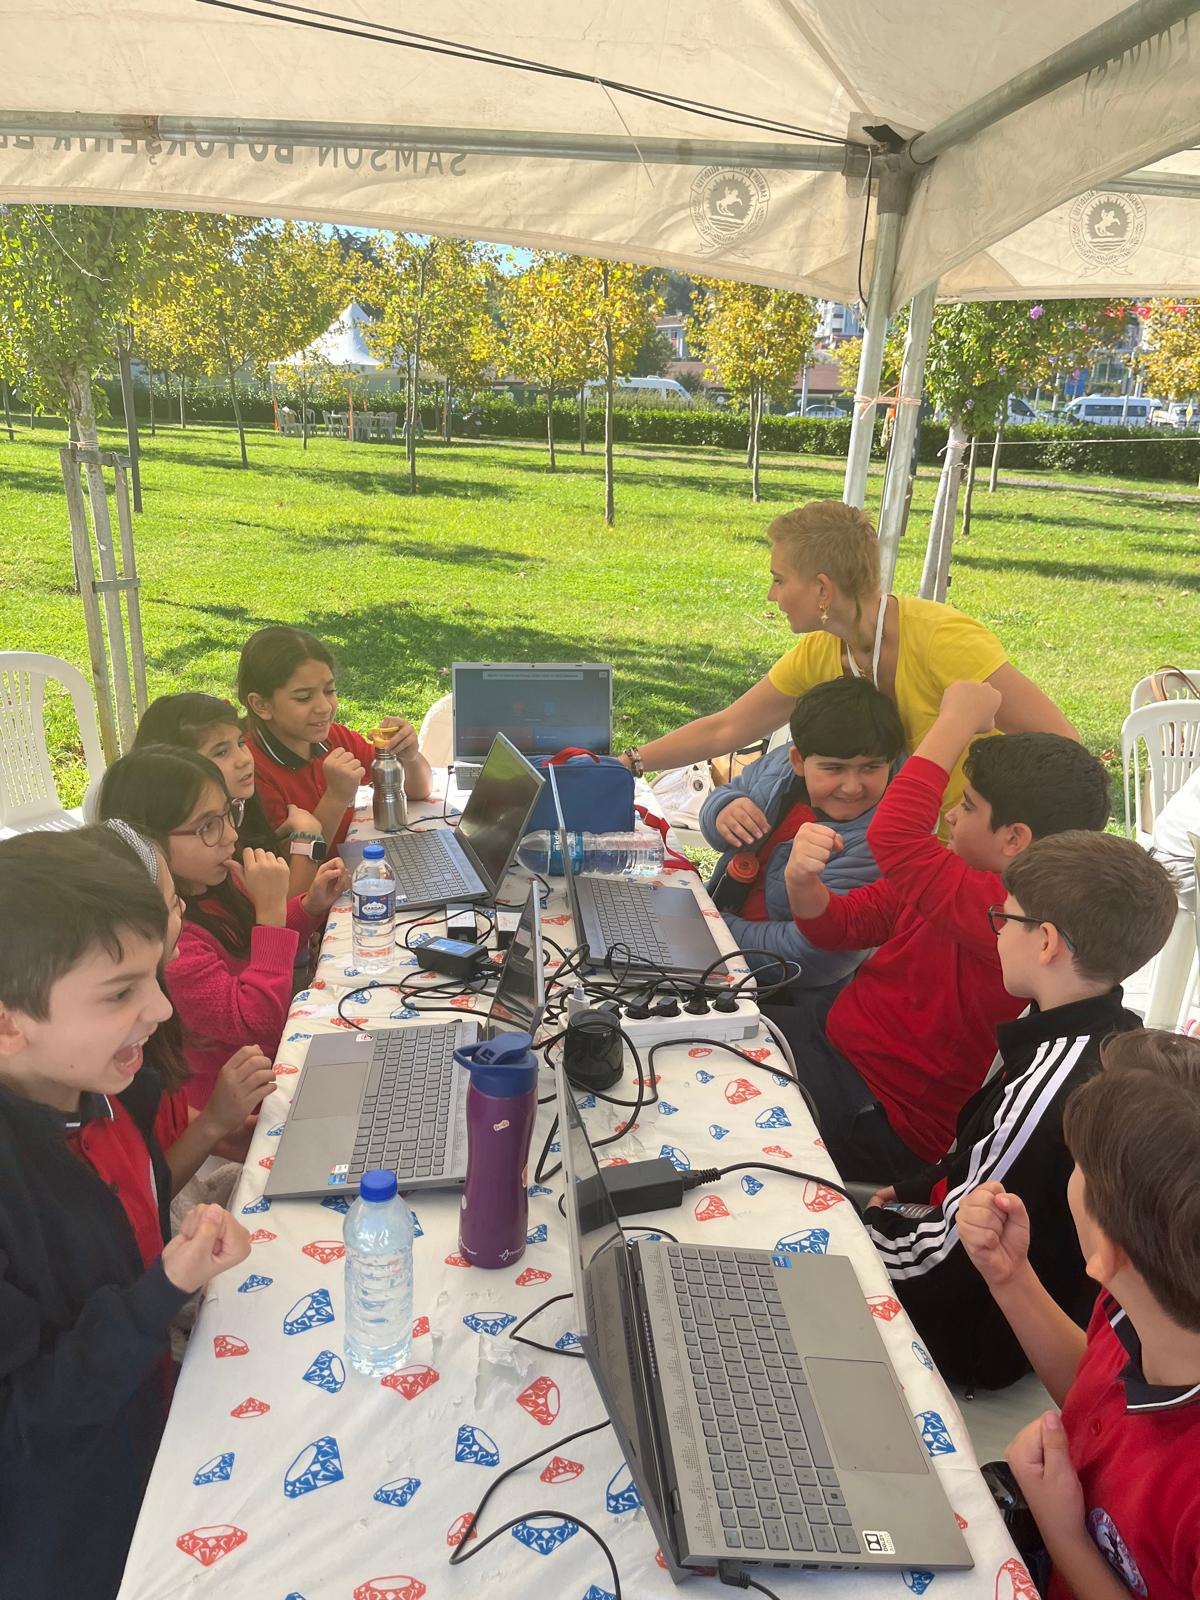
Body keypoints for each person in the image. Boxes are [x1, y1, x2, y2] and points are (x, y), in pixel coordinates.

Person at [0, 830, 252, 1599]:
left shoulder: (93, 1089)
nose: (162, 1008)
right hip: (76, 1542)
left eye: (153, 977)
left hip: (148, 1438)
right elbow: (24, 1429)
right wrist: (158, 1294)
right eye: (120, 993)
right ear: (9, 1024)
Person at [865, 831, 1177, 1390]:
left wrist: (861, 1234)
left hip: (972, 1336)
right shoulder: (1098, 1032)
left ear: (1046, 941)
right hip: (984, 1281)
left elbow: (957, 1255)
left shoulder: (1050, 1086)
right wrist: (914, 1188)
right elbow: (979, 1159)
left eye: (1004, 918)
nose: (999, 931)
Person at [772, 679, 1110, 1180]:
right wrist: (802, 882)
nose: (951, 814)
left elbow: (894, 834)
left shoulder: (1009, 910)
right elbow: (842, 926)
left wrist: (958, 718)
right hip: (837, 1053)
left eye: (968, 805)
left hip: (877, 1115)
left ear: (1014, 839)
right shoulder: (959, 876)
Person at [618, 501, 1076, 827]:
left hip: (976, 860)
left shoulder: (943, 640)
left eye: (779, 580)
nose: (772, 596)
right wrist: (629, 763)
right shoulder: (824, 650)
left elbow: (1064, 747)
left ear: (822, 589)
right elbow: (727, 729)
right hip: (907, 851)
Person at [958, 1029, 1200, 1600]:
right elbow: (1098, 1393)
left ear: (1107, 1251)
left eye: (1078, 1165)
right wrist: (1011, 1277)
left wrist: (1063, 1534)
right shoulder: (1143, 1303)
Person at [97, 746, 347, 1110]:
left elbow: (253, 947)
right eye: (208, 827)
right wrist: (270, 913)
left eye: (229, 813)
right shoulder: (171, 944)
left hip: (277, 1061)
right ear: (151, 844)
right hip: (236, 1102)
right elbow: (257, 1021)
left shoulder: (215, 885)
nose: (231, 835)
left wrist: (309, 906)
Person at [92, 819, 277, 1177]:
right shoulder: (110, 1055)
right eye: (171, 903)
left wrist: (225, 1133)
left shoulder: (140, 1023)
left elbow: (163, 1115)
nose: (183, 908)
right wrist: (213, 1123)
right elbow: (148, 1197)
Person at [699, 677, 904, 981]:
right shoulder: (781, 766)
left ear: (890, 762)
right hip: (715, 935)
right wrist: (722, 809)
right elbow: (727, 797)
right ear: (798, 760)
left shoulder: (880, 843)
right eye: (834, 768)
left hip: (777, 994)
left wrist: (713, 928)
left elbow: (817, 957)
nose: (852, 786)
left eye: (871, 768)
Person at [237, 625, 433, 851]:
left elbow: (419, 791)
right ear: (261, 705)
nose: (324, 707)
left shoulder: (335, 739)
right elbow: (293, 864)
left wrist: (409, 756)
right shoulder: (249, 770)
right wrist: (336, 797)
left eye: (329, 691)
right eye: (304, 697)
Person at [136, 691, 327, 894]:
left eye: (241, 743)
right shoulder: (192, 860)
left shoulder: (243, 805)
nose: (243, 759)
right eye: (221, 752)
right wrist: (308, 838)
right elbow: (276, 904)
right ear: (178, 765)